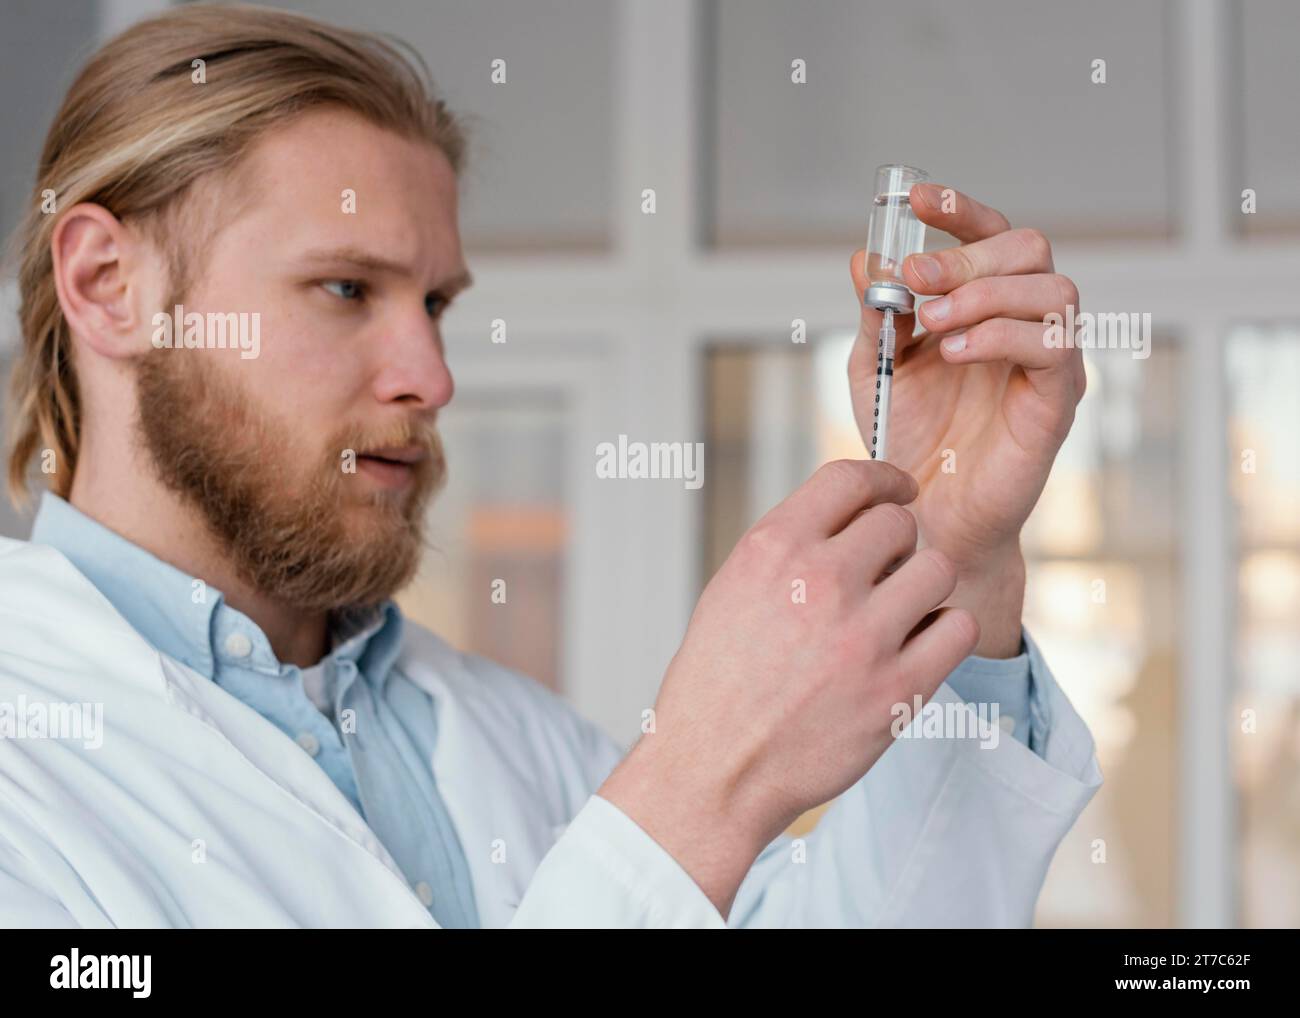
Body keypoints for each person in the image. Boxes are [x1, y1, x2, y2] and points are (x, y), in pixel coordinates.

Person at [0, 5, 1099, 928]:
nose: (430, 375)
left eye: (434, 303)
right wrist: (694, 790)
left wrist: (949, 558)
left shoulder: (502, 736)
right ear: (108, 285)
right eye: (345, 288)